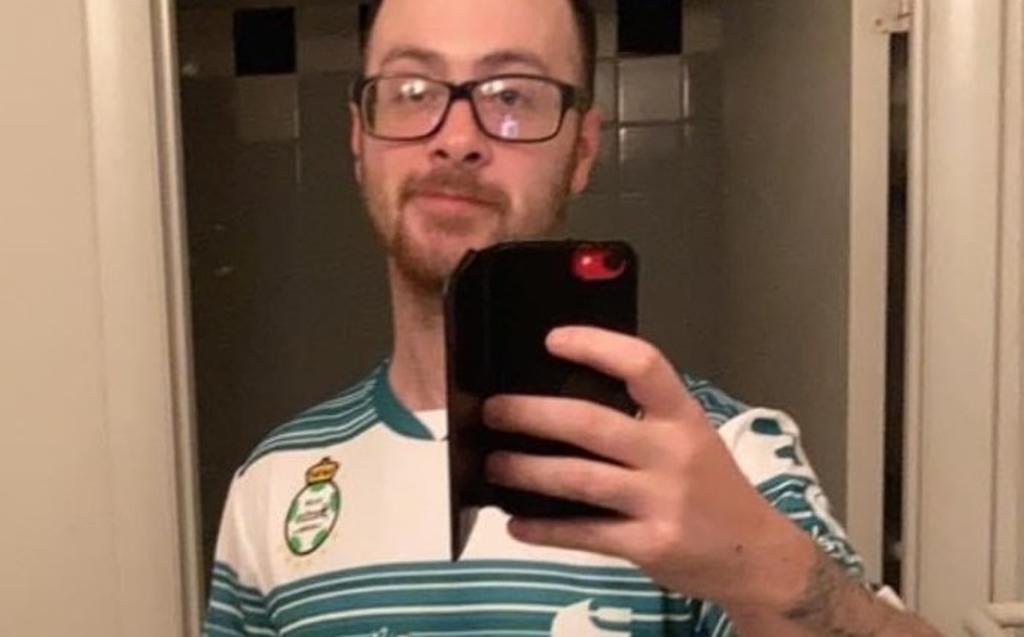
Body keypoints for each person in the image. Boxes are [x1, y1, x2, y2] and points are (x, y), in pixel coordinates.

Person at [203, 1, 941, 635]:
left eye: (513, 95)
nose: (456, 137)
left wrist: (764, 565)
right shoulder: (275, 483)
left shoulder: (725, 459)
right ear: (359, 139)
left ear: (582, 149)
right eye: (412, 90)